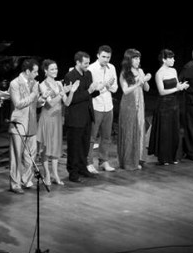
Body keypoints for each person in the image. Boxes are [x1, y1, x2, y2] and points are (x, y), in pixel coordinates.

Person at [37, 60, 78, 185]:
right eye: (52, 69)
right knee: (46, 148)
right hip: (47, 118)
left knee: (55, 148)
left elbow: (67, 103)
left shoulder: (59, 84)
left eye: (56, 68)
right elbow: (50, 103)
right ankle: (47, 174)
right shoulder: (42, 85)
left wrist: (72, 91)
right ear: (46, 71)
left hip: (57, 119)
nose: (55, 71)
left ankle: (55, 174)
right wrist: (62, 92)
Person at [63, 51, 102, 183]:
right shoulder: (70, 76)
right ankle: (73, 172)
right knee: (74, 147)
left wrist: (97, 89)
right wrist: (89, 91)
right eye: (85, 63)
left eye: (88, 63)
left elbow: (90, 95)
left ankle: (82, 168)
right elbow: (72, 100)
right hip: (75, 118)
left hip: (86, 116)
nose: (87, 65)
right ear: (78, 62)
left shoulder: (88, 74)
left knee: (84, 145)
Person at [8, 59, 45, 194]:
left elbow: (34, 104)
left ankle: (26, 180)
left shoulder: (34, 83)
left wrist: (41, 100)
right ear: (28, 71)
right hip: (19, 124)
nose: (37, 74)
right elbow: (18, 104)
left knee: (31, 155)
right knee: (17, 156)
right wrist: (34, 94)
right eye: (35, 72)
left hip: (32, 123)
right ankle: (15, 184)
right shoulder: (14, 83)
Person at [148, 49, 189, 166]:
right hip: (164, 105)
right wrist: (177, 88)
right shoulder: (159, 73)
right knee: (165, 131)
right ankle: (164, 158)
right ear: (164, 60)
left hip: (174, 104)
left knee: (174, 130)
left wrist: (181, 86)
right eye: (170, 58)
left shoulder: (173, 70)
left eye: (173, 58)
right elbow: (161, 91)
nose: (173, 60)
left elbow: (176, 85)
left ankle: (173, 156)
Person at [117, 49, 151, 170]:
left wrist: (145, 80)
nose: (138, 61)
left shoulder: (140, 71)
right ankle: (129, 161)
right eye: (135, 58)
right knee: (130, 131)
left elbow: (146, 88)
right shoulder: (124, 73)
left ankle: (138, 158)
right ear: (129, 60)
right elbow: (125, 90)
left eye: (138, 58)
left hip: (140, 103)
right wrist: (138, 82)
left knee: (140, 129)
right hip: (129, 104)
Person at [87, 45, 118, 173]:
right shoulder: (91, 69)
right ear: (98, 55)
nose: (106, 59)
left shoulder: (112, 68)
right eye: (103, 56)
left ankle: (103, 161)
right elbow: (90, 89)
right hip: (96, 106)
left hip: (108, 106)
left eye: (108, 57)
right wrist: (103, 85)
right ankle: (89, 163)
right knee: (92, 137)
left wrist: (107, 86)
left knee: (106, 137)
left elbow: (115, 88)